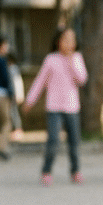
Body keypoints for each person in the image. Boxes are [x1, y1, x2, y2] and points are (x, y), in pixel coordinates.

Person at [23, 26, 87, 186]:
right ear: (58, 41)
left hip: (72, 107)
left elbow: (82, 79)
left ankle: (75, 170)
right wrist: (30, 100)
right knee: (53, 140)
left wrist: (72, 62)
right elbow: (39, 82)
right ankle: (46, 171)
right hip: (54, 107)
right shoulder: (51, 59)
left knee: (74, 142)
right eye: (66, 39)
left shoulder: (77, 58)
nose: (69, 43)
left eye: (72, 40)